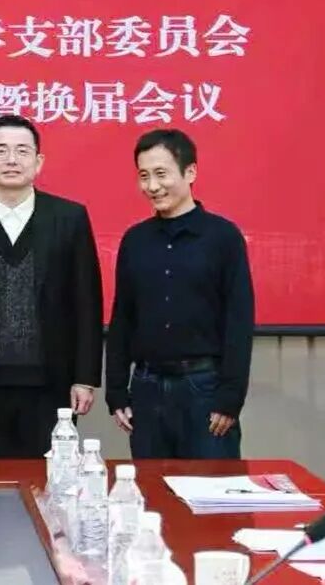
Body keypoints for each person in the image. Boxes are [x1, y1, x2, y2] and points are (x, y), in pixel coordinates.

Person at [0, 115, 104, 458]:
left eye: (22, 151)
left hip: (51, 387)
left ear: (38, 162)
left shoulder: (69, 218)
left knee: (50, 478)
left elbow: (86, 304)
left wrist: (84, 377)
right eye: (1, 151)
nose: (12, 160)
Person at [106, 128, 254, 459]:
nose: (152, 186)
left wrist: (230, 397)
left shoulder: (223, 237)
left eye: (161, 174)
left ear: (190, 172)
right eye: (144, 176)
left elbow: (239, 321)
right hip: (146, 387)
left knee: (212, 487)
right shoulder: (135, 240)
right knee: (150, 488)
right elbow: (123, 318)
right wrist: (116, 391)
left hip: (204, 388)